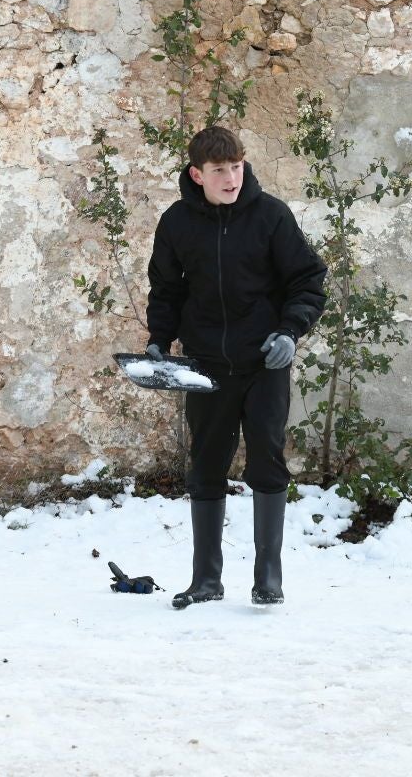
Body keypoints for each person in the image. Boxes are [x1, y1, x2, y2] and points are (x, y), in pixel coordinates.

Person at [146, 126, 326, 609]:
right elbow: (166, 289)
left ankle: (269, 578)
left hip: (263, 363)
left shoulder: (271, 217)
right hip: (206, 368)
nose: (231, 178)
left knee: (267, 460)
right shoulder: (177, 223)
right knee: (205, 466)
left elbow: (308, 280)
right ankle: (206, 580)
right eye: (220, 170)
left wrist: (289, 331)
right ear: (197, 174)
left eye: (236, 167)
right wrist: (159, 340)